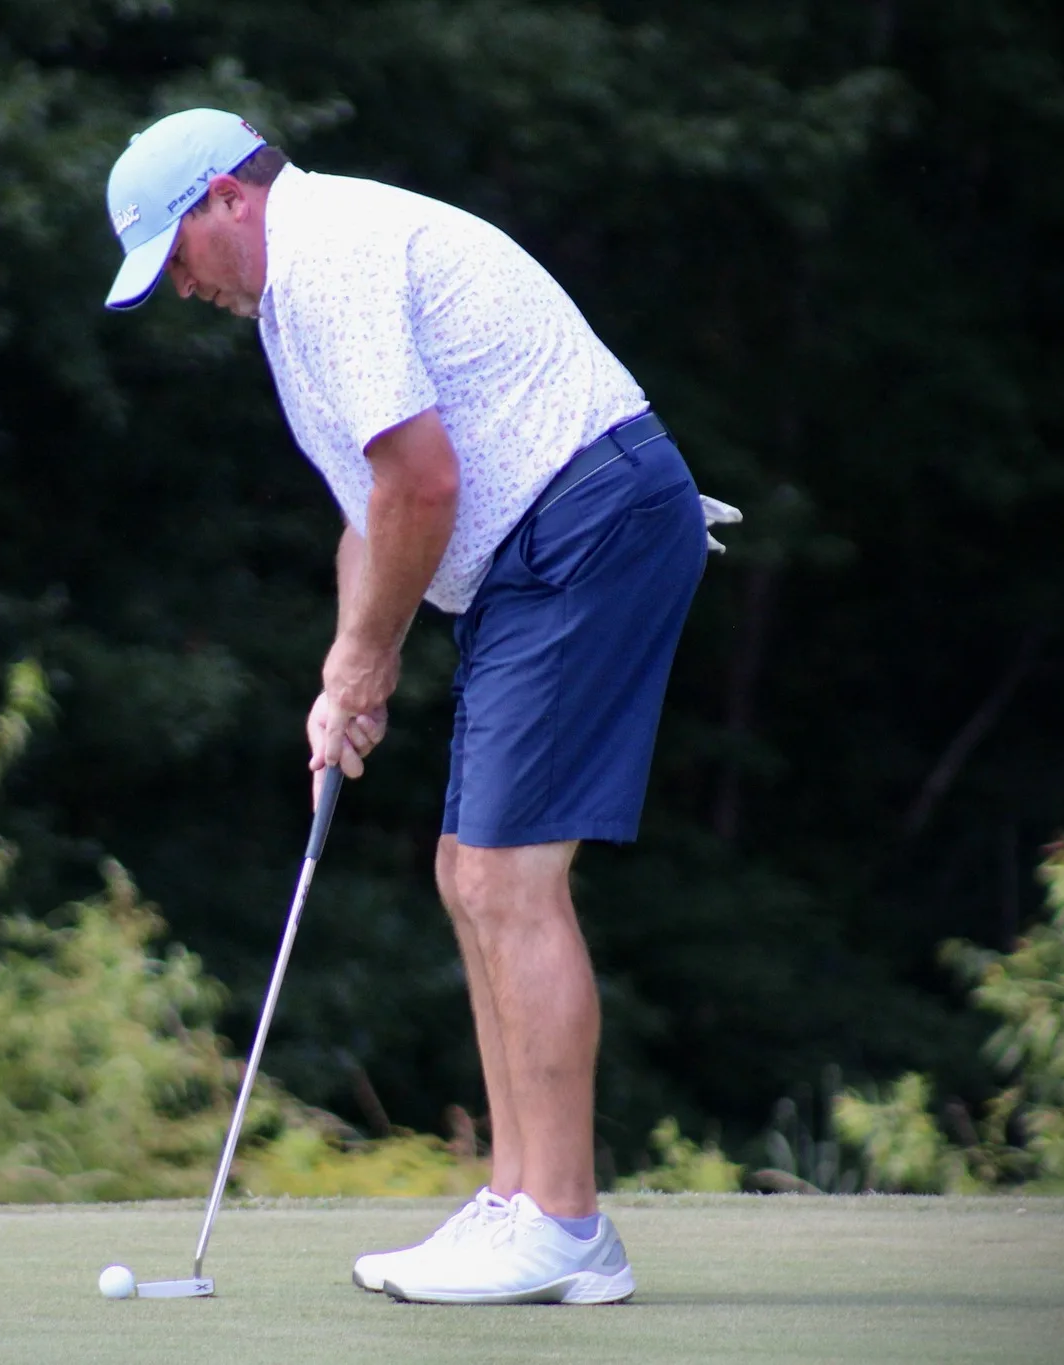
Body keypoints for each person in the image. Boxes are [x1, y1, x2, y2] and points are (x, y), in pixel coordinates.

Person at [101, 108, 734, 1305]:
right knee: (465, 869)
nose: (180, 288)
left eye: (175, 256)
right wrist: (348, 674)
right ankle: (516, 1203)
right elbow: (371, 507)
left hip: (585, 528)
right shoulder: (299, 292)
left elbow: (423, 482)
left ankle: (562, 1224)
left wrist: (365, 662)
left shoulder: (327, 256)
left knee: (506, 877)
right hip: (548, 546)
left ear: (226, 200)